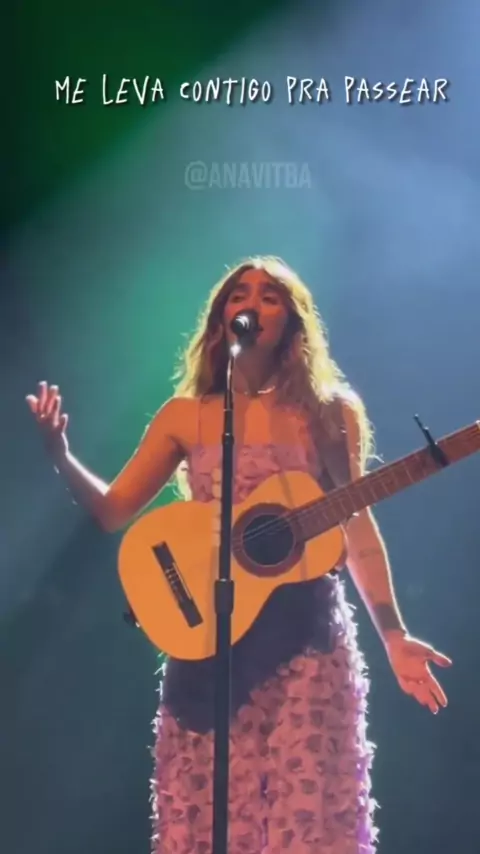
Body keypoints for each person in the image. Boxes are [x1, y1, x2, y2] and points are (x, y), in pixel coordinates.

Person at [26, 256, 452, 854]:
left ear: (293, 323)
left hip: (306, 642)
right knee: (208, 821)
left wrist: (393, 634)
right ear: (222, 318)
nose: (251, 303)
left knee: (308, 822)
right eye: (239, 294)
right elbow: (113, 511)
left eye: (270, 296)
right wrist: (60, 455)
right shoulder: (186, 417)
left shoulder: (328, 412)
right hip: (208, 638)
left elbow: (355, 520)